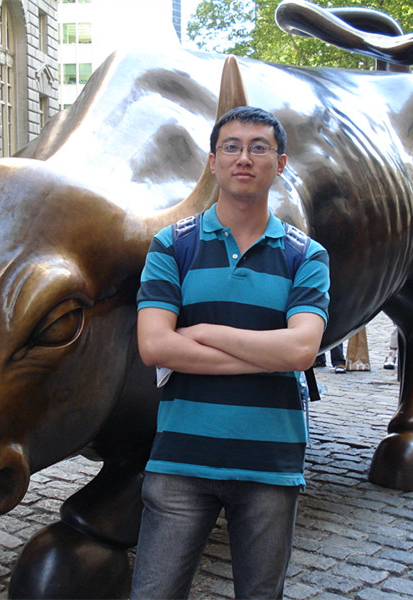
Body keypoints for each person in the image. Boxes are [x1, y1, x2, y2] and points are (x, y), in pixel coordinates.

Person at [132, 106, 330, 599]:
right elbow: (154, 345)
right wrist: (268, 354)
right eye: (232, 147)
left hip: (270, 467)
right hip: (179, 462)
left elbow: (302, 349)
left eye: (259, 148)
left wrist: (201, 332)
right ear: (213, 161)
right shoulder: (171, 246)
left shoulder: (306, 255)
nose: (245, 158)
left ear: (280, 164)